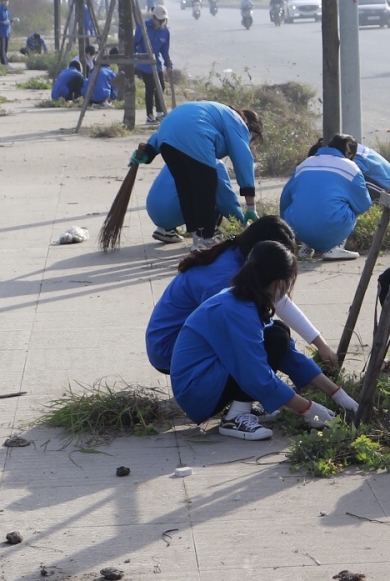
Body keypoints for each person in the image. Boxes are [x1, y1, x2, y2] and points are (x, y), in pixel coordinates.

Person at [169, 241, 352, 441]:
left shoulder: (244, 298)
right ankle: (236, 418)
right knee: (275, 338)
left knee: (278, 333)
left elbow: (290, 356)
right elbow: (256, 376)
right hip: (196, 391)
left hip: (205, 378)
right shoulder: (237, 311)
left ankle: (242, 408)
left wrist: (339, 395)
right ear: (279, 283)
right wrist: (310, 410)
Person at [146, 216, 340, 377]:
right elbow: (243, 336)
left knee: (271, 334)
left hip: (175, 342)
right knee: (268, 338)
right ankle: (237, 412)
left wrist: (320, 345)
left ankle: (242, 402)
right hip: (168, 351)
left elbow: (280, 301)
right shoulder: (225, 278)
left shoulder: (240, 255)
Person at [141, 100, 262, 249]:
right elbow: (243, 159)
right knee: (207, 188)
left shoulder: (214, 113)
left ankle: (198, 238)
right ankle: (206, 240)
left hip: (167, 138)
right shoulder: (238, 122)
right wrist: (250, 207)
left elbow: (173, 126)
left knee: (186, 189)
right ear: (249, 127)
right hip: (195, 137)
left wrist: (149, 151)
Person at [280, 136, 373, 261]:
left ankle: (307, 246)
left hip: (297, 229)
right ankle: (334, 247)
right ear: (349, 153)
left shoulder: (304, 164)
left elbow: (285, 200)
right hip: (330, 226)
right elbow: (364, 204)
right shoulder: (351, 168)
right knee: (351, 207)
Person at [134, 5, 172, 123]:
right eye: (159, 20)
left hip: (156, 63)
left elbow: (165, 51)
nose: (161, 23)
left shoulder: (165, 32)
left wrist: (168, 64)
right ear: (154, 18)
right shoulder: (143, 27)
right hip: (144, 63)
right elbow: (134, 43)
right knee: (150, 87)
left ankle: (160, 113)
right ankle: (149, 115)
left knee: (161, 86)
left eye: (163, 20)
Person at [0, 0, 12, 65]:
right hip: (2, 31)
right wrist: (4, 22)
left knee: (6, 47)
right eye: (5, 0)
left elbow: (8, 20)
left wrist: (12, 20)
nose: (6, 2)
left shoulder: (6, 10)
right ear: (1, 1)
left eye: (7, 0)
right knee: (3, 47)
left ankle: (5, 61)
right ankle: (3, 62)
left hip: (7, 31)